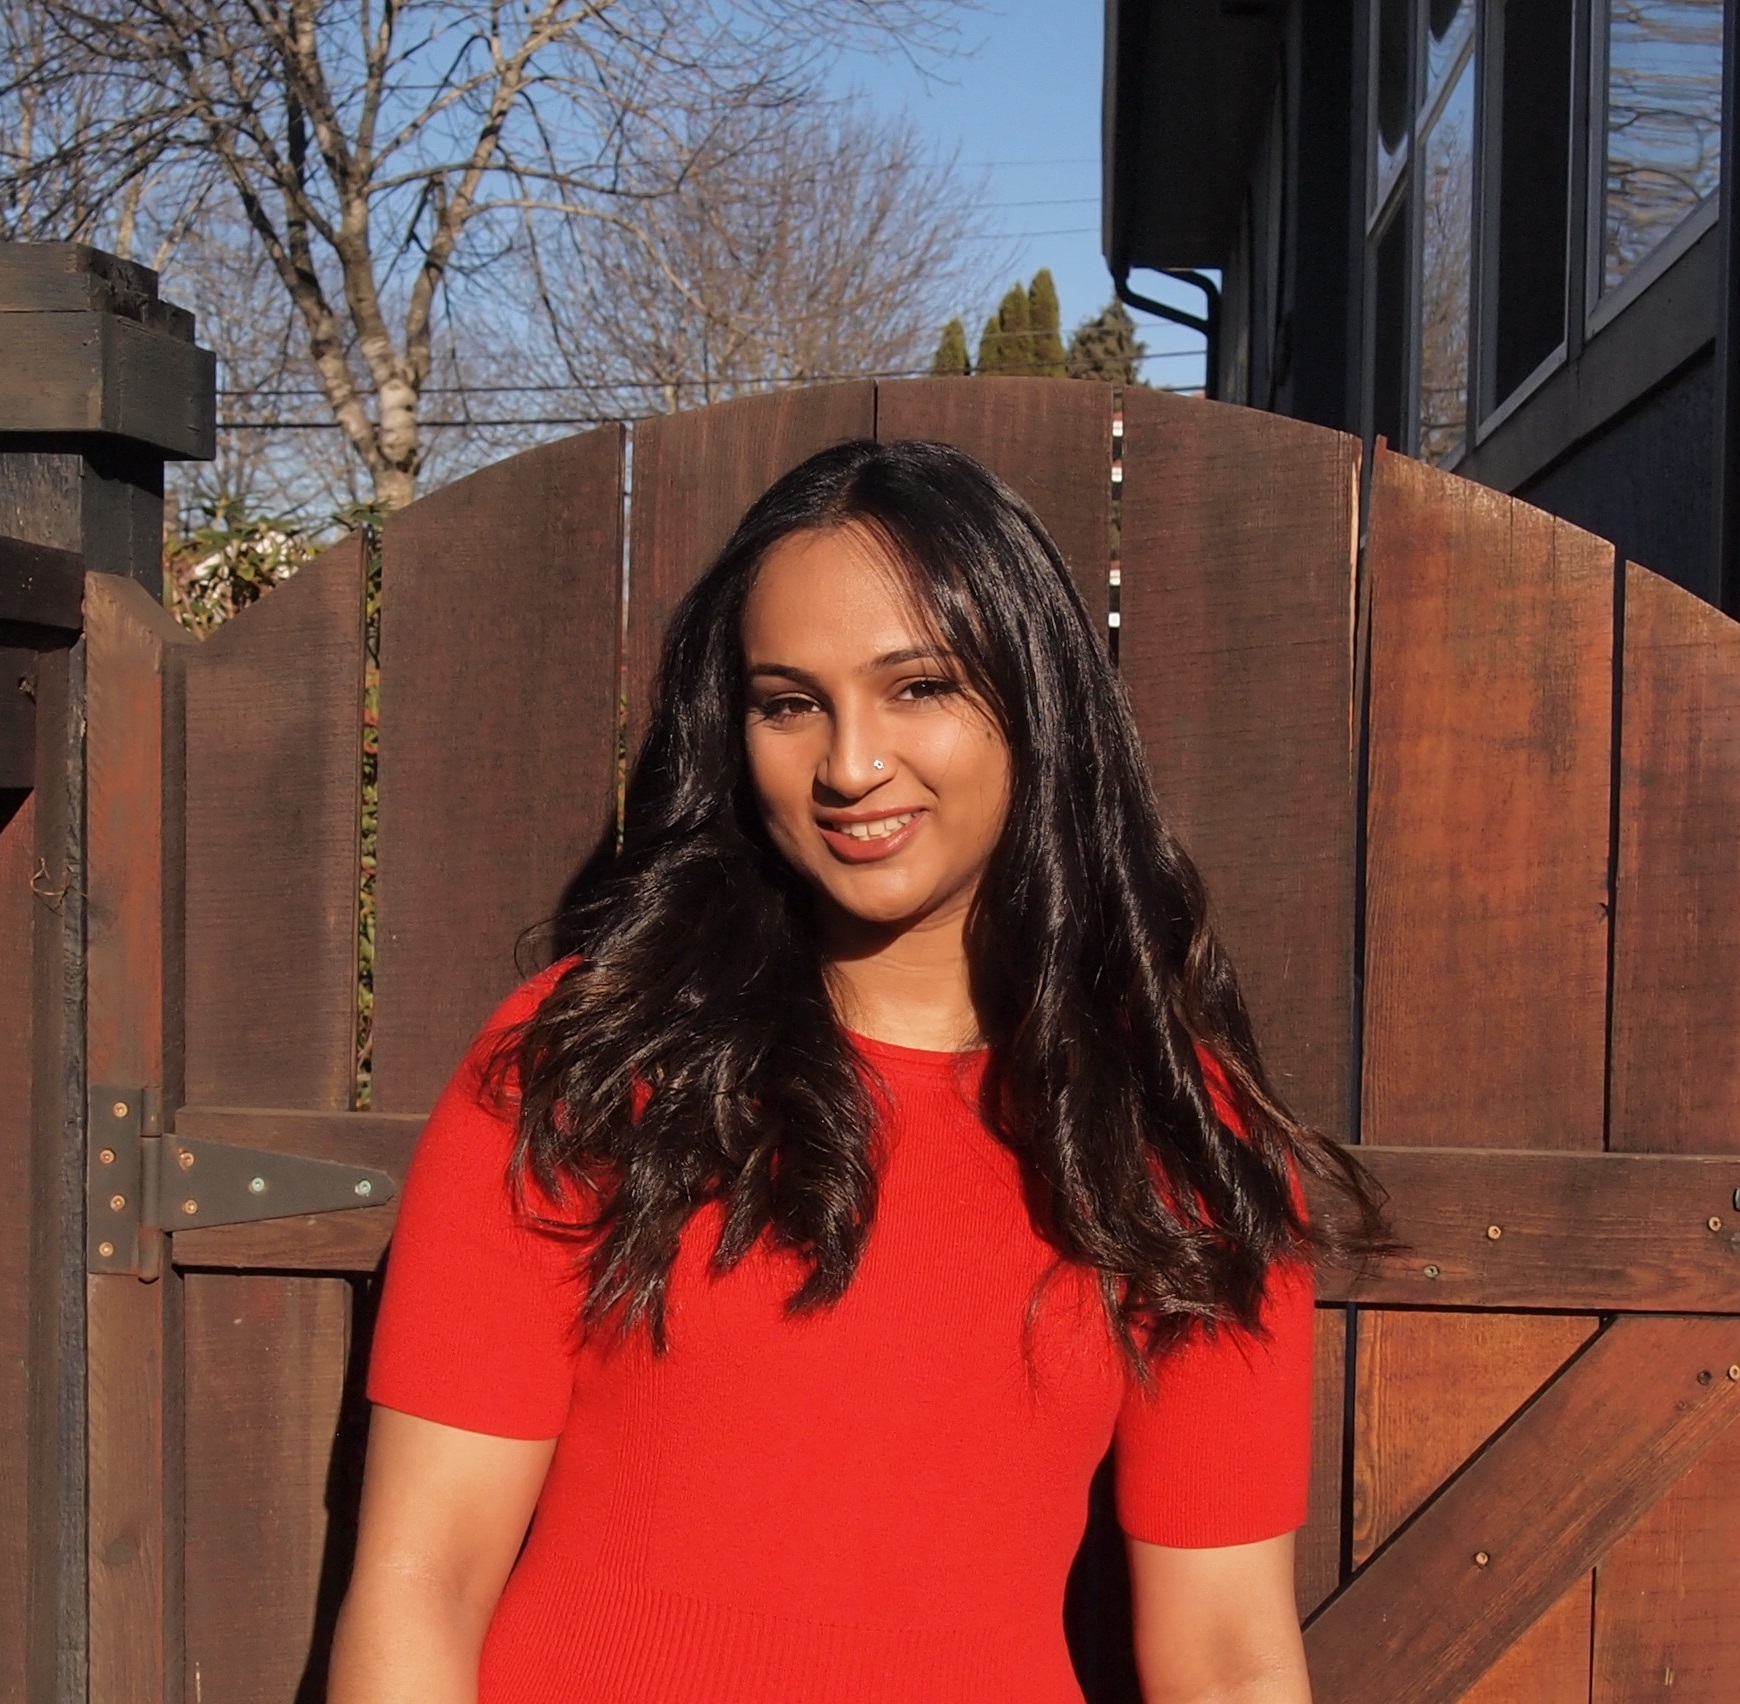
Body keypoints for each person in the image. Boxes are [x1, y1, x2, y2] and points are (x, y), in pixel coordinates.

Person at [329, 439, 1382, 1704]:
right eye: (789, 702)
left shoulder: (1179, 1136)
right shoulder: (589, 1064)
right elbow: (421, 1581)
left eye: (917, 688)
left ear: (1036, 704)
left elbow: (1227, 1658)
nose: (848, 766)